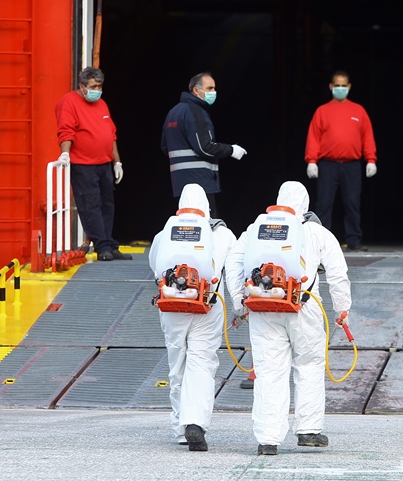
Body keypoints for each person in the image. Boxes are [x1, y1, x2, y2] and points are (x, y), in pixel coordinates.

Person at [227, 181, 352, 456]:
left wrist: (239, 303)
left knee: (269, 372)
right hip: (304, 307)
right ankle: (308, 430)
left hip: (262, 306)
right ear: (305, 206)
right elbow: (337, 272)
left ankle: (268, 439)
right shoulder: (316, 232)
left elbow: (232, 262)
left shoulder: (254, 230)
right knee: (308, 365)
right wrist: (341, 308)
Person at [149, 183, 237, 451]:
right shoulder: (224, 235)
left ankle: (179, 428)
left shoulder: (165, 233)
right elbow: (233, 273)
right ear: (207, 207)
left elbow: (156, 267)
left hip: (171, 306)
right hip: (208, 308)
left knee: (177, 366)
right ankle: (195, 423)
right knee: (202, 363)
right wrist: (241, 310)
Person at [55, 66, 131, 262]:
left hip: (104, 163)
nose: (97, 89)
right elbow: (66, 130)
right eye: (93, 86)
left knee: (107, 204)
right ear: (82, 86)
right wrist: (65, 154)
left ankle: (109, 244)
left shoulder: (102, 104)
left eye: (100, 86)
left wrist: (117, 162)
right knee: (91, 205)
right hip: (83, 165)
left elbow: (110, 134)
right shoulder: (69, 102)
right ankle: (102, 246)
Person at [304, 70, 377, 251]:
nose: (340, 88)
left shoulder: (358, 111)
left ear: (349, 87)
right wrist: (311, 160)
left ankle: (353, 240)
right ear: (331, 87)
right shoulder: (322, 111)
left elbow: (367, 136)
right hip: (328, 164)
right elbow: (313, 137)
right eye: (337, 85)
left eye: (344, 85)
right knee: (324, 203)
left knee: (352, 203)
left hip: (352, 165)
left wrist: (371, 159)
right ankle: (320, 242)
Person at [161, 72, 247, 216]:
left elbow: (165, 147)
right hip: (200, 181)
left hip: (180, 182)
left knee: (187, 224)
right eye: (209, 88)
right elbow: (204, 147)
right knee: (207, 225)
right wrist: (231, 150)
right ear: (196, 90)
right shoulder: (196, 111)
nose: (214, 92)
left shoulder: (173, 112)